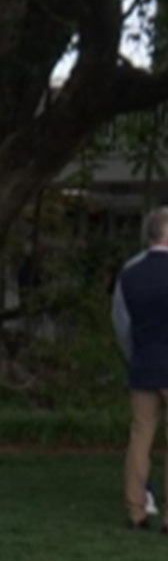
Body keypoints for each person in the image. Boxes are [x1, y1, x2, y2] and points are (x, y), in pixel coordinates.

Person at [112, 205, 168, 534]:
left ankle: (136, 510)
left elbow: (123, 323)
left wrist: (134, 355)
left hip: (143, 363)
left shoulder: (130, 273)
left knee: (140, 438)